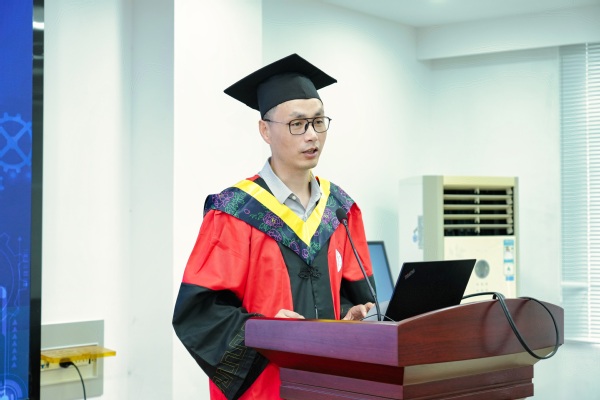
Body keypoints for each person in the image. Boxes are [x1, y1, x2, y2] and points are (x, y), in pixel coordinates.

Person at [172, 53, 376, 400]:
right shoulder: (234, 212)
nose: (312, 135)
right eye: (298, 124)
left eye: (319, 121)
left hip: (331, 385)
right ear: (265, 130)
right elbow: (200, 315)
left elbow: (351, 296)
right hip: (266, 389)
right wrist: (268, 330)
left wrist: (352, 316)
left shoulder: (341, 209)